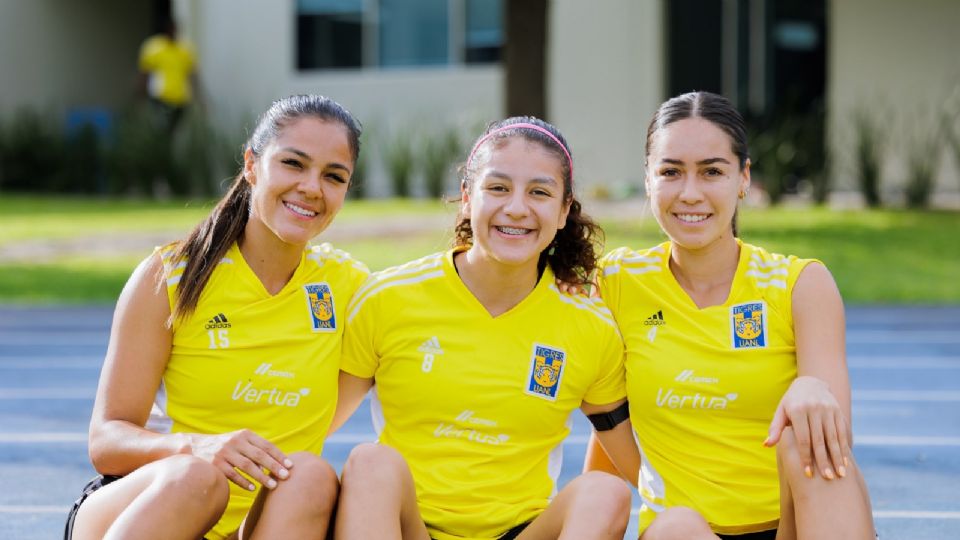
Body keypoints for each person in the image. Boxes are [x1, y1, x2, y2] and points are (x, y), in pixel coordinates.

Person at [66, 94, 367, 540]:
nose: (311, 188)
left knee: (311, 475)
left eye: (333, 176)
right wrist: (197, 447)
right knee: (197, 479)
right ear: (251, 164)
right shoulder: (170, 275)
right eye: (293, 164)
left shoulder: (350, 289)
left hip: (258, 524)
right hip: (152, 506)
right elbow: (106, 441)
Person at [584, 91, 875, 539]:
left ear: (743, 178)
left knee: (807, 430)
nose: (690, 193)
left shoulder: (801, 284)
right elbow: (604, 414)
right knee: (677, 527)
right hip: (682, 532)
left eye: (712, 172)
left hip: (795, 525)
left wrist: (811, 386)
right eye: (670, 172)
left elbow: (832, 447)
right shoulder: (616, 282)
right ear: (647, 180)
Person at [332, 117, 640, 540]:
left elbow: (635, 462)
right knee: (369, 462)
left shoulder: (590, 324)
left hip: (520, 531)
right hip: (410, 528)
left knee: (605, 493)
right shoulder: (388, 298)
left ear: (564, 210)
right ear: (466, 198)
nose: (516, 207)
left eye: (539, 192)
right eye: (498, 188)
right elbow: (314, 423)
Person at [138, 17, 198, 134]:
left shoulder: (184, 50)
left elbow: (192, 75)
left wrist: (199, 98)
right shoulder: (154, 48)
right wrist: (140, 95)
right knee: (159, 129)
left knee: (173, 131)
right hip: (160, 98)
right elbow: (144, 73)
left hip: (180, 99)